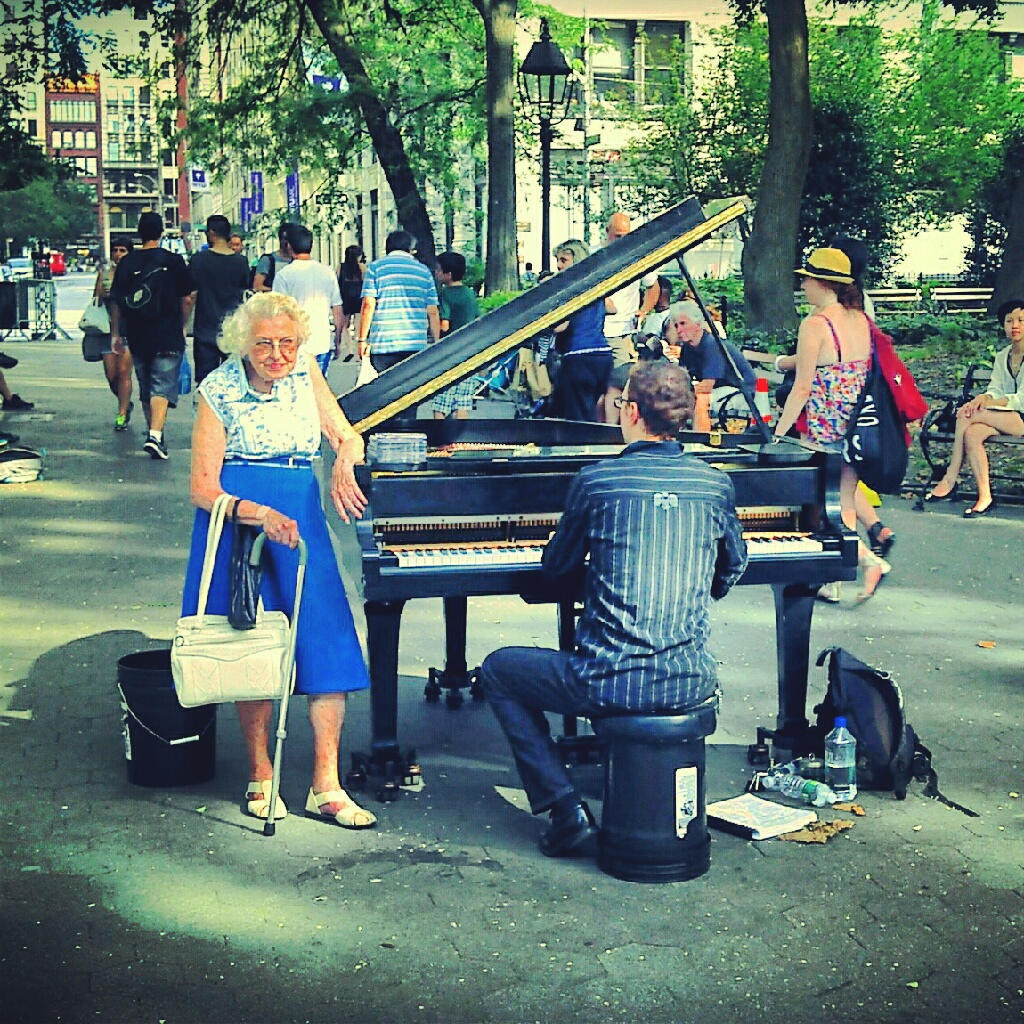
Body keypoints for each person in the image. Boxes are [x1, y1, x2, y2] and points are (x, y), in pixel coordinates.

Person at [480, 360, 747, 857]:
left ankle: (564, 809)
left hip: (608, 679)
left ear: (629, 411)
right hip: (689, 677)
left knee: (498, 671)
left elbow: (555, 569)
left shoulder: (597, 481)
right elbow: (730, 570)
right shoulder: (715, 484)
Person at [184, 291, 376, 829]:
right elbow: (201, 487)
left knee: (326, 641)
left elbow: (346, 432)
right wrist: (256, 513)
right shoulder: (217, 389)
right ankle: (261, 775)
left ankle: (327, 785)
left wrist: (343, 458)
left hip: (301, 517)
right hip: (241, 525)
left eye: (287, 343)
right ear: (244, 343)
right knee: (253, 647)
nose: (277, 354)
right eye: (265, 343)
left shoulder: (305, 374)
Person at [772, 248, 890, 600]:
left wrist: (778, 433)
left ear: (821, 282)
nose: (803, 284)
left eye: (806, 278)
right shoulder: (858, 319)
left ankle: (866, 561)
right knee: (844, 501)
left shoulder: (815, 324)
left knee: (815, 503)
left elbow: (802, 386)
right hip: (857, 425)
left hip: (824, 427)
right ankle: (835, 577)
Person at [923, 298, 1024, 517]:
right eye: (1009, 321)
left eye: (1020, 320)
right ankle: (985, 496)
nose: (1015, 325)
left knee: (967, 415)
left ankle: (950, 478)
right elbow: (996, 389)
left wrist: (986, 404)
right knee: (972, 432)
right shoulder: (1002, 356)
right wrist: (983, 398)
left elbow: (1021, 399)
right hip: (1005, 416)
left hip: (1021, 417)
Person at [109, 211, 192, 461]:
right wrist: (183, 324)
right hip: (168, 332)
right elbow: (188, 297)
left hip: (138, 333)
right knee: (162, 385)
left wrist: (116, 333)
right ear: (161, 232)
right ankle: (155, 435)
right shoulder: (174, 261)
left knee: (147, 385)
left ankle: (155, 433)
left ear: (139, 233)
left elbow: (116, 301)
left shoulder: (127, 263)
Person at [357, 229, 440, 423]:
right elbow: (433, 310)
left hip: (384, 343)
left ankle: (386, 433)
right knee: (409, 394)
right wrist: (436, 341)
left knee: (384, 393)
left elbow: (368, 304)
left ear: (388, 248)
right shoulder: (423, 271)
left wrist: (362, 339)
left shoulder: (376, 268)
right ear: (410, 250)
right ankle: (407, 432)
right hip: (415, 345)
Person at [601, 212, 661, 421]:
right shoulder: (596, 257)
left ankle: (613, 431)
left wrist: (644, 310)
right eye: (617, 236)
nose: (622, 241)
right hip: (595, 332)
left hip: (622, 333)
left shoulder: (638, 258)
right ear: (607, 233)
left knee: (618, 384)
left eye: (626, 235)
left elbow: (654, 287)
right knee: (604, 387)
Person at [550, 239, 615, 422]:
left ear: (576, 260)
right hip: (603, 355)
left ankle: (580, 448)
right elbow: (612, 308)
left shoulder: (570, 291)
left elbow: (560, 326)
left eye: (563, 260)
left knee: (576, 417)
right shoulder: (596, 287)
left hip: (579, 357)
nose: (558, 265)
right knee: (593, 411)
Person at [273, 223, 345, 376]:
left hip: (294, 345)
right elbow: (337, 309)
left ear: (289, 246)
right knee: (318, 391)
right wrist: (338, 340)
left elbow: (278, 313)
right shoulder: (327, 272)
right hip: (322, 342)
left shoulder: (284, 275)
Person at [188, 215, 250, 384]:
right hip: (233, 330)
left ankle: (204, 410)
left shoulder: (198, 260)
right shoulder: (242, 262)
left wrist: (183, 325)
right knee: (234, 380)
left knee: (205, 382)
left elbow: (190, 296)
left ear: (211, 233)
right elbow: (246, 292)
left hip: (205, 330)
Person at [669, 300, 756, 413]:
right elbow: (682, 379)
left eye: (683, 323)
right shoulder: (687, 348)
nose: (679, 330)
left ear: (698, 324)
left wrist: (678, 394)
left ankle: (700, 430)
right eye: (676, 325)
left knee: (697, 400)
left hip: (741, 393)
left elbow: (707, 386)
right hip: (719, 391)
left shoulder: (712, 344)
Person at [85, 237, 135, 430]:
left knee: (124, 372)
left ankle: (121, 414)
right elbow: (95, 298)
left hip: (128, 330)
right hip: (106, 330)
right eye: (115, 250)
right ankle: (125, 402)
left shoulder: (135, 274)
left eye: (123, 250)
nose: (118, 254)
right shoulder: (105, 274)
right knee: (111, 375)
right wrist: (104, 292)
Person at [432, 250, 481, 420]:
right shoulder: (469, 293)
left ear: (448, 274)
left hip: (449, 352)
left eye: (438, 270)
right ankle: (460, 439)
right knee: (462, 401)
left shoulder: (445, 294)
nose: (436, 273)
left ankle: (440, 438)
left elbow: (444, 325)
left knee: (441, 400)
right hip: (469, 351)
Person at [251, 222, 294, 292]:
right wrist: (277, 291)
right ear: (280, 239)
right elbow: (257, 286)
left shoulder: (297, 261)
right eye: (285, 239)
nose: (287, 243)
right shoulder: (267, 260)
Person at [338, 244, 365, 345]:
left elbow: (338, 281)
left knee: (345, 325)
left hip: (345, 298)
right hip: (358, 298)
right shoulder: (362, 267)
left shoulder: (341, 267)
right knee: (358, 325)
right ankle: (358, 349)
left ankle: (349, 349)